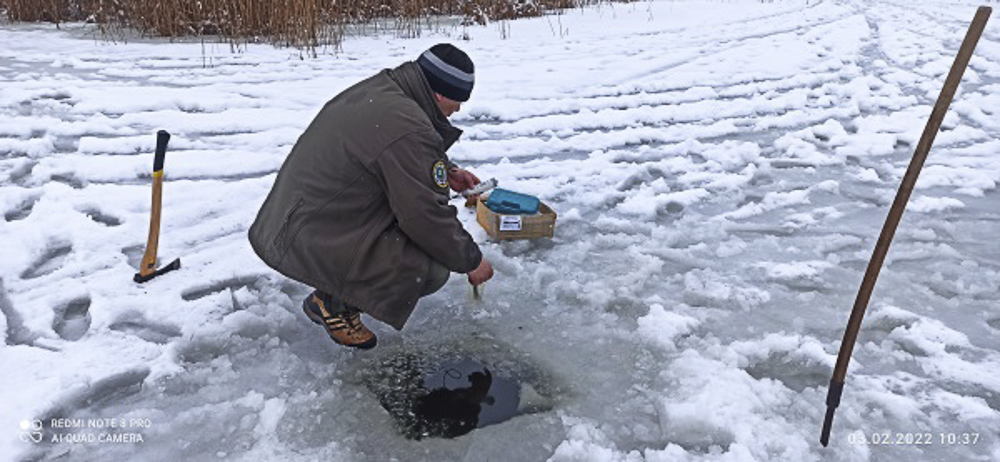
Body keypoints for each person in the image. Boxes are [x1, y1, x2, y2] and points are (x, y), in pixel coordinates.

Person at [248, 43, 494, 350]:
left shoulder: (388, 88)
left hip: (298, 214)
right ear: (441, 94)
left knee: (411, 232)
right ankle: (334, 304)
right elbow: (424, 215)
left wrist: (446, 169)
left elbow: (383, 149)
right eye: (456, 103)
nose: (456, 111)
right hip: (311, 229)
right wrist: (471, 260)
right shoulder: (409, 127)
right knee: (429, 269)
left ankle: (331, 295)